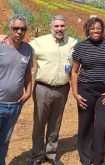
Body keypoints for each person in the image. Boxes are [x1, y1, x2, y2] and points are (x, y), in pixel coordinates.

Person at [29, 15, 77, 165]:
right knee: (39, 122)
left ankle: (51, 154)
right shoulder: (39, 42)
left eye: (62, 26)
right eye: (56, 26)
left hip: (63, 89)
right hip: (42, 88)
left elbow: (86, 51)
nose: (59, 29)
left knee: (56, 122)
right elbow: (22, 48)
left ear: (66, 27)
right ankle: (37, 155)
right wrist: (4, 39)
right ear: (51, 27)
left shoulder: (73, 43)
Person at [71, 17, 105, 165]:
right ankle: (86, 158)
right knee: (85, 123)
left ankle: (98, 159)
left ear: (102, 29)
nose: (95, 31)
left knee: (101, 125)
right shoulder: (80, 47)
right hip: (85, 89)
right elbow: (74, 72)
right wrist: (75, 93)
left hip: (104, 92)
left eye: (98, 28)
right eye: (92, 28)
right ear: (87, 30)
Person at [0, 14, 32, 165]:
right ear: (10, 29)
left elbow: (27, 73)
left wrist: (29, 91)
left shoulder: (28, 49)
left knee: (5, 140)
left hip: (15, 104)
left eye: (23, 29)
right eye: (16, 28)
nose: (19, 32)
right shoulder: (1, 46)